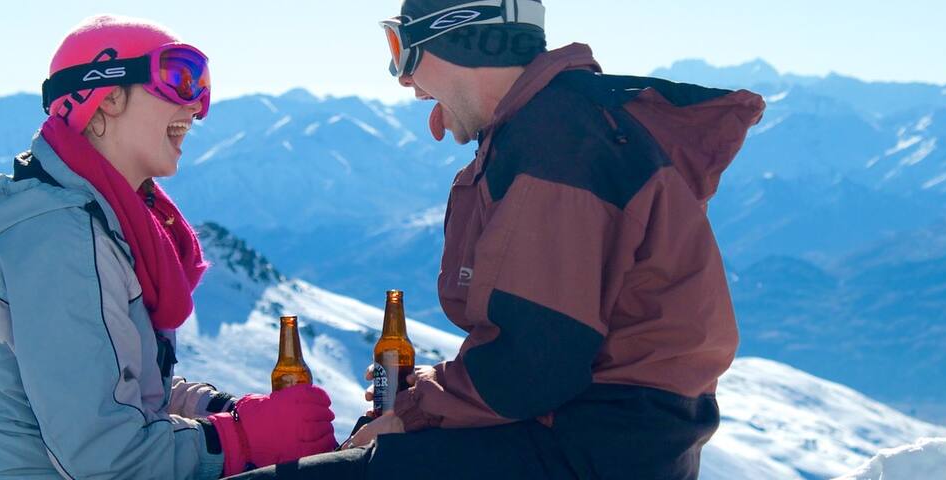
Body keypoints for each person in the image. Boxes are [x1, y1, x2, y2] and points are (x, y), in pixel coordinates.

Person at [231, 0, 764, 478]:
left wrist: (410, 414)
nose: (404, 81)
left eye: (403, 49)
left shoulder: (556, 144)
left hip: (585, 447)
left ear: (459, 37)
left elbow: (536, 364)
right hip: (623, 440)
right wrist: (423, 397)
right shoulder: (564, 124)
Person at [0, 15, 337, 479]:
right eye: (180, 77)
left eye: (202, 85)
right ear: (105, 97)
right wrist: (242, 436)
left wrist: (226, 408)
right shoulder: (58, 240)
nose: (198, 107)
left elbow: (121, 382)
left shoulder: (103, 224)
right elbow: (105, 457)